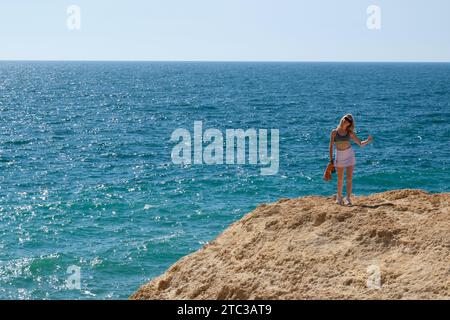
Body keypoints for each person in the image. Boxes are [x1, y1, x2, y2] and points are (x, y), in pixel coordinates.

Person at [329, 114, 373, 206]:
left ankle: (348, 198)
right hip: (339, 156)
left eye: (349, 121)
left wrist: (368, 141)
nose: (346, 121)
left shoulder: (350, 133)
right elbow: (331, 146)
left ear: (350, 124)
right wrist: (331, 160)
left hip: (349, 155)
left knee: (349, 178)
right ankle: (339, 197)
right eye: (345, 119)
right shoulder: (334, 132)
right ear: (342, 119)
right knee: (340, 179)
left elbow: (360, 143)